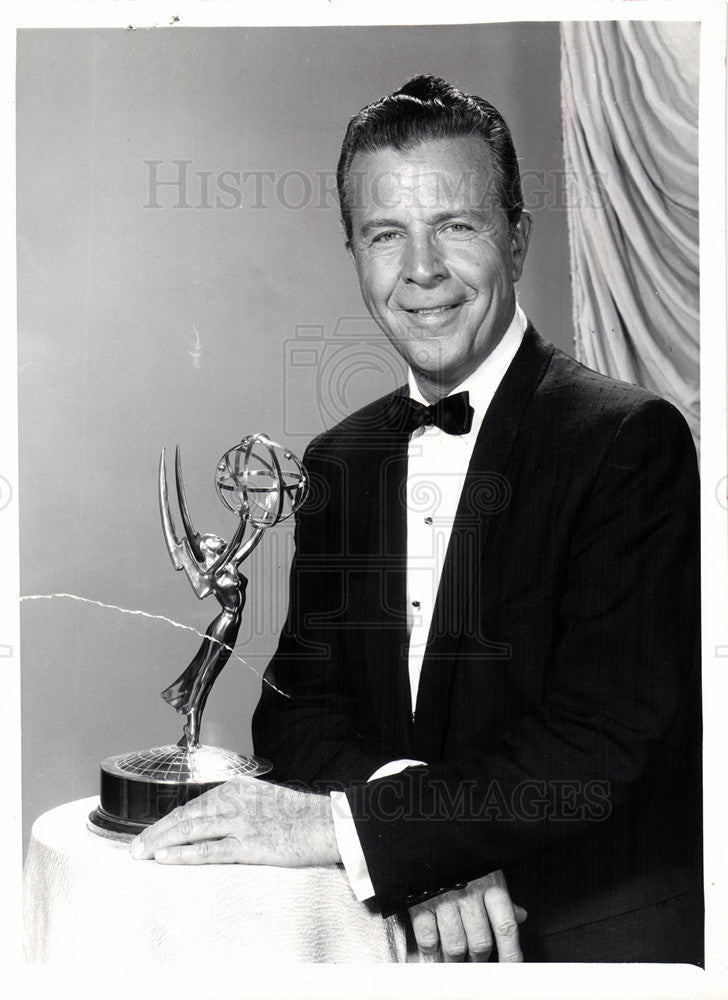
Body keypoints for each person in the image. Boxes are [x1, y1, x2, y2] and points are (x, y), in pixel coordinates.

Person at [131, 75, 703, 965]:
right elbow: (296, 713)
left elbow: (599, 741)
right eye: (386, 235)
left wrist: (371, 830)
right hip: (391, 942)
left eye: (458, 226)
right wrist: (416, 842)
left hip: (591, 939)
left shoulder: (629, 441)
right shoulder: (339, 461)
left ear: (517, 238)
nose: (421, 270)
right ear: (355, 252)